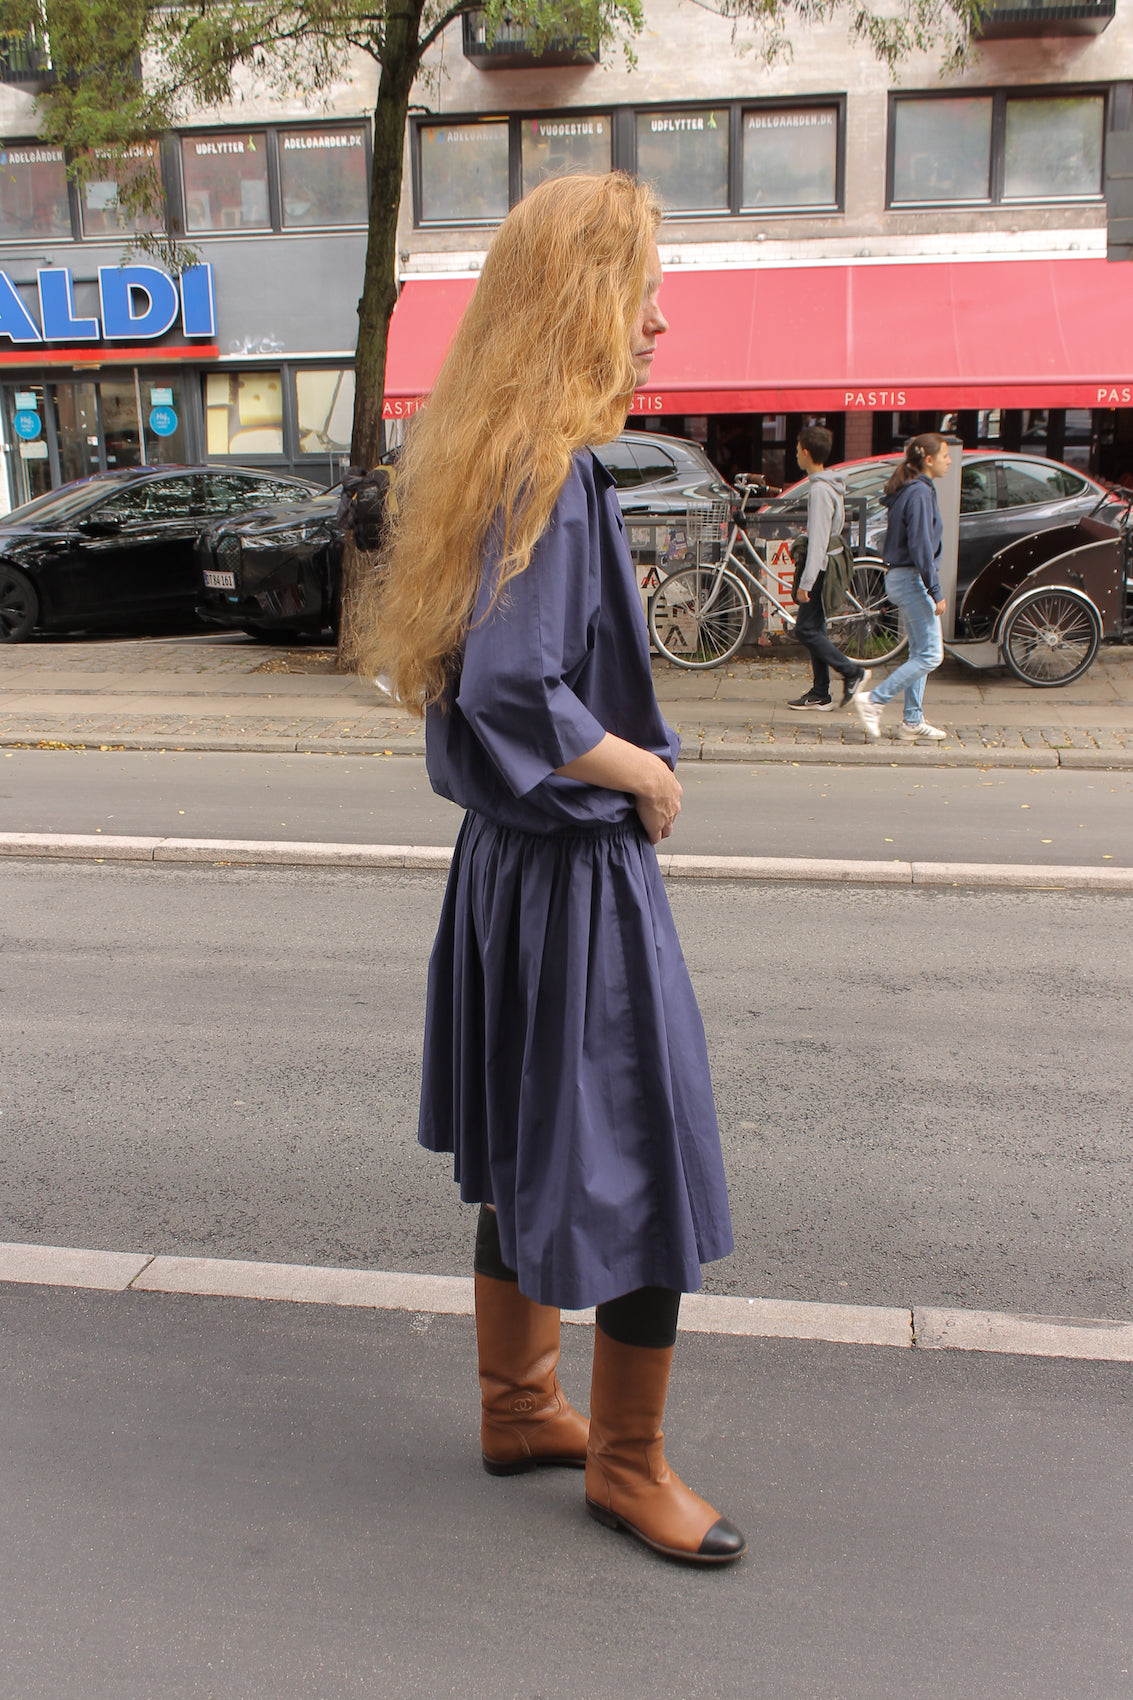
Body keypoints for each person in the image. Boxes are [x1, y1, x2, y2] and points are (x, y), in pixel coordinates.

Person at [357, 173, 745, 1567]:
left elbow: (477, 686)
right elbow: (523, 689)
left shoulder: (489, 453)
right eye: (639, 288)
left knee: (529, 1151)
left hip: (505, 876)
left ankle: (519, 1406)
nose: (658, 321)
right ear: (582, 303)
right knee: (643, 1158)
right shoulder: (556, 474)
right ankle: (626, 1465)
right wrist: (642, 770)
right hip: (572, 884)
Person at [854, 434, 950, 743]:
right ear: (929, 460)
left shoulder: (911, 491)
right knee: (932, 655)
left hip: (902, 578)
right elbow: (921, 545)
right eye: (945, 455)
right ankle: (874, 700)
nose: (950, 460)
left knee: (920, 651)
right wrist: (935, 590)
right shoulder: (920, 493)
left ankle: (912, 721)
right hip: (912, 579)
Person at [787, 426, 870, 712]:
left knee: (806, 630)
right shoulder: (830, 484)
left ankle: (851, 672)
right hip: (828, 562)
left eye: (797, 450)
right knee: (815, 628)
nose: (795, 454)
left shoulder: (820, 490)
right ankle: (820, 692)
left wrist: (806, 583)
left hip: (821, 567)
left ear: (807, 453)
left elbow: (819, 540)